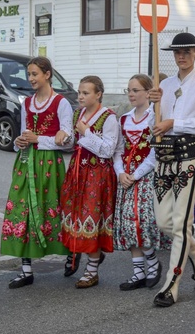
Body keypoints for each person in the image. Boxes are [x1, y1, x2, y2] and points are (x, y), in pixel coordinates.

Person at [148, 32, 195, 308]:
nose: (182, 56)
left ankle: (171, 284)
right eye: (177, 52)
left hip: (188, 158)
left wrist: (173, 123)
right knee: (164, 222)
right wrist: (152, 102)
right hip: (163, 158)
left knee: (179, 224)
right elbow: (154, 123)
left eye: (187, 51)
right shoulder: (163, 85)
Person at [1, 56, 73, 289]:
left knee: (51, 209)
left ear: (47, 74)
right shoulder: (27, 103)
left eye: (34, 74)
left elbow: (67, 141)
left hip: (49, 165)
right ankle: (26, 269)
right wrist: (20, 141)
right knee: (22, 211)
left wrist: (39, 139)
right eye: (29, 74)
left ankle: (72, 251)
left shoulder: (61, 103)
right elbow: (23, 134)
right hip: (26, 162)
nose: (30, 78)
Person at [60, 75, 119, 288]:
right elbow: (74, 144)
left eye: (86, 93)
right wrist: (67, 138)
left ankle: (92, 269)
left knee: (91, 217)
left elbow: (108, 150)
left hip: (97, 175)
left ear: (98, 94)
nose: (81, 96)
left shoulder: (109, 117)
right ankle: (81, 255)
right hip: (77, 172)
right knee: (75, 214)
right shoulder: (78, 114)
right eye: (80, 92)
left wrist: (86, 133)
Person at [113, 74, 170, 291]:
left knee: (142, 222)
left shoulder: (154, 117)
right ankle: (138, 271)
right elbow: (119, 150)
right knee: (128, 225)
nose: (131, 94)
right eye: (129, 90)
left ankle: (153, 263)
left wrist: (135, 175)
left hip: (145, 177)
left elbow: (155, 153)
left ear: (148, 93)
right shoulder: (125, 119)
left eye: (136, 90)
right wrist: (120, 172)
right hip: (126, 177)